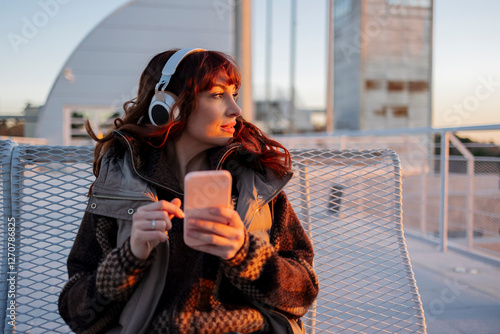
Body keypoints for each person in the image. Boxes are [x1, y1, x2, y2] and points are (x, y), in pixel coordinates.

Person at [58, 48, 318, 334]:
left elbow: (302, 294)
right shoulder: (120, 185)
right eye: (218, 95)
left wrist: (246, 254)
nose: (236, 109)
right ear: (169, 105)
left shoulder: (256, 181)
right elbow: (78, 314)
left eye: (234, 94)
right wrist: (129, 257)